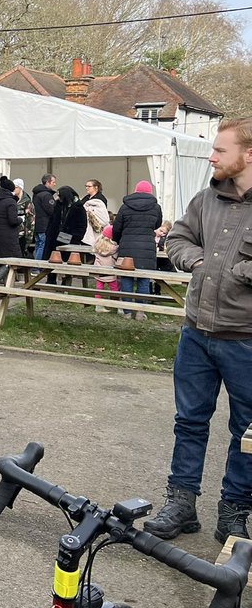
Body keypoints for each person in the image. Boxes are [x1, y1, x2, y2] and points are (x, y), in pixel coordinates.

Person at [143, 118, 252, 543]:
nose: (212, 157)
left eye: (220, 151)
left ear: (248, 155)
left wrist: (239, 272)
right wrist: (200, 262)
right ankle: (181, 503)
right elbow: (177, 239)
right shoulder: (207, 198)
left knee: (247, 432)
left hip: (245, 339)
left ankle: (235, 510)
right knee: (189, 422)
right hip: (197, 334)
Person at [111, 180, 163, 320]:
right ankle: (140, 311)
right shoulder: (156, 207)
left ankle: (127, 311)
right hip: (147, 247)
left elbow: (116, 227)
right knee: (144, 280)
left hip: (127, 245)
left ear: (135, 190)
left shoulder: (125, 207)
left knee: (126, 278)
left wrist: (118, 239)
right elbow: (156, 224)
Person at [0, 176, 22, 286]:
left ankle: (7, 282)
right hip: (7, 235)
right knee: (13, 259)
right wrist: (21, 219)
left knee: (1, 259)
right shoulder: (10, 202)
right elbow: (12, 221)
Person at [40, 185, 86, 261]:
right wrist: (48, 233)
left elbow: (82, 226)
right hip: (54, 238)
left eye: (59, 195)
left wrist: (74, 238)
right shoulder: (58, 206)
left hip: (69, 239)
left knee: (67, 261)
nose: (58, 197)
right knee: (50, 261)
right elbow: (52, 221)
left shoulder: (78, 208)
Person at [92, 224, 119, 312]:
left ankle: (98, 305)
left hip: (99, 269)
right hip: (110, 270)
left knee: (99, 287)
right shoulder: (114, 248)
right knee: (114, 288)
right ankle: (118, 306)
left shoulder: (97, 245)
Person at [31, 173, 57, 261]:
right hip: (45, 225)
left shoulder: (36, 194)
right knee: (43, 245)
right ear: (48, 182)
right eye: (53, 182)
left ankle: (35, 266)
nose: (55, 184)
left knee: (38, 245)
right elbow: (51, 210)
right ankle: (38, 267)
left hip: (37, 224)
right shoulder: (46, 195)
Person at [81, 179, 110, 250]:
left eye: (89, 186)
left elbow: (101, 214)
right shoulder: (86, 197)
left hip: (95, 228)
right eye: (86, 186)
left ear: (96, 187)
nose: (86, 188)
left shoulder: (101, 199)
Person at [12, 178, 34, 255]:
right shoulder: (10, 199)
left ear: (20, 188)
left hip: (21, 234)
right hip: (11, 233)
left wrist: (29, 236)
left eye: (15, 187)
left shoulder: (26, 201)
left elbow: (30, 219)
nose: (13, 189)